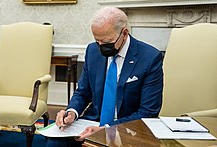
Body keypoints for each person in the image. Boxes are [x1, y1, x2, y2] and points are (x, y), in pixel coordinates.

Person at [46, 6, 163, 147]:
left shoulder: (150, 58)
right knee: (55, 142)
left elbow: (148, 112)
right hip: (92, 121)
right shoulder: (92, 51)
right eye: (97, 41)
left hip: (127, 127)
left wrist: (107, 128)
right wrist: (72, 112)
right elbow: (83, 92)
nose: (100, 47)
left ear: (124, 34)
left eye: (106, 42)